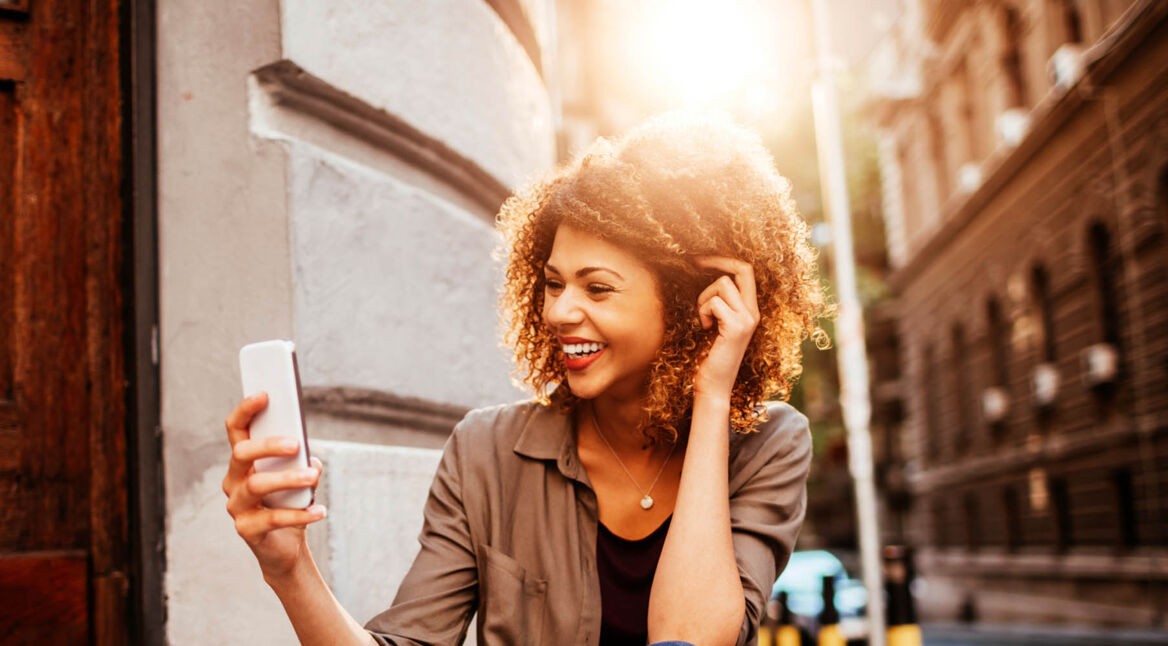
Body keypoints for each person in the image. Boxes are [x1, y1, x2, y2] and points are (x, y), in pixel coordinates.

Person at [222, 113, 829, 645]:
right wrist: (289, 569)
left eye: (597, 288)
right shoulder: (485, 452)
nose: (560, 311)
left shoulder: (768, 445)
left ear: (690, 302)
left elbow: (690, 640)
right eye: (553, 283)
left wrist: (712, 394)